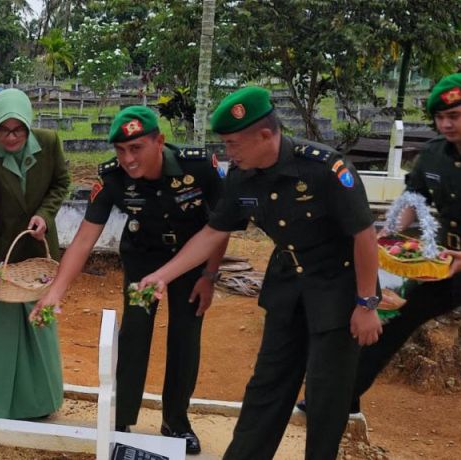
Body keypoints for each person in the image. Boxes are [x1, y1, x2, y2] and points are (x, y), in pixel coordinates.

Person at [138, 86, 382, 460]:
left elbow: (364, 235)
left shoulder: (323, 168)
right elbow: (212, 232)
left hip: (338, 287)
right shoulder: (242, 176)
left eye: (233, 144)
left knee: (326, 394)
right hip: (287, 287)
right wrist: (164, 275)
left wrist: (366, 302)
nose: (228, 152)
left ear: (265, 135)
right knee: (267, 384)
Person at [339, 73, 461, 458]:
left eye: (454, 115)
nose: (446, 124)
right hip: (441, 267)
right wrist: (392, 231)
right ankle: (339, 402)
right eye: (440, 117)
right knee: (387, 322)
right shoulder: (432, 153)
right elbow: (414, 197)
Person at [36, 106, 226, 454]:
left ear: (159, 142)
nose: (128, 159)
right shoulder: (113, 178)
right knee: (135, 332)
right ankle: (121, 419)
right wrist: (55, 292)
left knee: (186, 335)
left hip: (190, 261)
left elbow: (221, 226)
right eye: (121, 150)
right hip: (143, 258)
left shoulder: (198, 167)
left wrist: (210, 276)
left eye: (136, 148)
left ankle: (176, 422)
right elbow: (83, 240)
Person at [0, 89, 70, 420]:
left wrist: (45, 213)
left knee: (39, 327)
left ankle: (42, 401)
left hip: (38, 251)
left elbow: (61, 183)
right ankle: (0, 405)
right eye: (3, 130)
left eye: (18, 130)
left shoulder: (49, 143)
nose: (10, 137)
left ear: (28, 127)